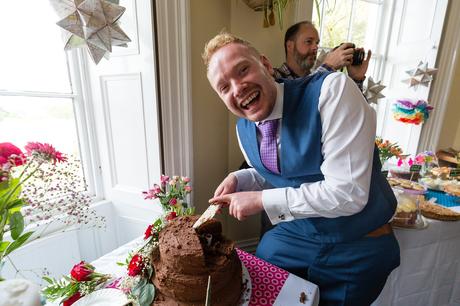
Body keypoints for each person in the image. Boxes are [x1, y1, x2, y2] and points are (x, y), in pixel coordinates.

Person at [203, 32, 400, 306]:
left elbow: (348, 194)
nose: (237, 88)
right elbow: (278, 173)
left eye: (243, 69)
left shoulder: (332, 92)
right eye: (224, 87)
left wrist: (259, 200)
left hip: (358, 241)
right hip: (299, 235)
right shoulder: (243, 130)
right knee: (261, 284)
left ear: (266, 64)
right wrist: (240, 178)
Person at [274, 21, 371, 91]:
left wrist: (356, 79)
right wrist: (328, 66)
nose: (315, 47)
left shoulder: (325, 80)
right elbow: (297, 100)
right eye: (309, 41)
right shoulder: (274, 77)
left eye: (316, 43)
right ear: (290, 46)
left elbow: (351, 113)